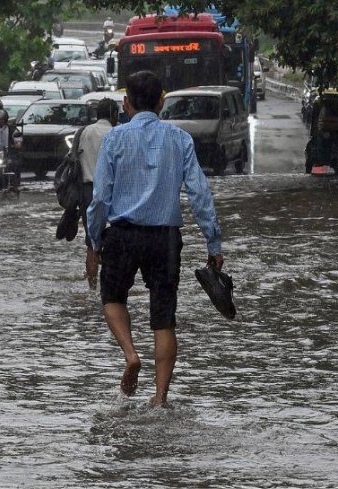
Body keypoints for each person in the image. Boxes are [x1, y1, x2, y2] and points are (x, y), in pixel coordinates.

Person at [87, 71, 223, 405]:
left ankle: (132, 355)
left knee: (113, 298)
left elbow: (100, 197)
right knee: (164, 318)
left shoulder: (115, 139)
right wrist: (213, 243)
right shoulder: (179, 139)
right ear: (162, 102)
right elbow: (199, 193)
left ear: (126, 103)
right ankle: (160, 397)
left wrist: (92, 242)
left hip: (121, 234)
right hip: (165, 239)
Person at [78, 98, 119, 289]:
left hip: (87, 190)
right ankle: (112, 285)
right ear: (114, 114)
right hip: (113, 189)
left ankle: (92, 287)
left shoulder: (84, 132)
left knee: (91, 241)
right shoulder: (116, 133)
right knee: (117, 237)